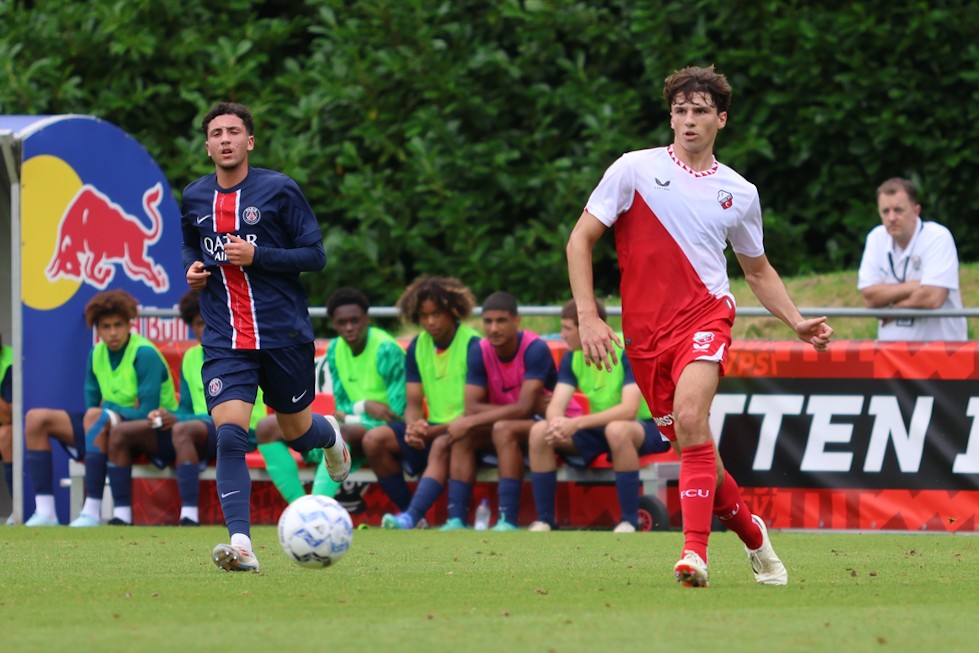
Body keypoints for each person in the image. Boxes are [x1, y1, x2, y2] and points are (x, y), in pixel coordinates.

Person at [566, 65, 833, 587]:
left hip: (706, 316)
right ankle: (754, 537)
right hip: (645, 338)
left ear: (721, 119)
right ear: (670, 116)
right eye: (680, 111)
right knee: (698, 452)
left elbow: (757, 269)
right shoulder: (633, 170)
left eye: (700, 111)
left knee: (692, 419)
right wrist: (588, 314)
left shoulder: (739, 191)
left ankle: (694, 555)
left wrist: (796, 321)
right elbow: (580, 240)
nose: (689, 121)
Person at [181, 101, 349, 572]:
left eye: (234, 131)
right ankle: (242, 546)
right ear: (208, 145)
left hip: (282, 333)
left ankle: (331, 436)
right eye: (216, 133)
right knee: (230, 434)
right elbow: (191, 245)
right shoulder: (195, 197)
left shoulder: (279, 190)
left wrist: (259, 256)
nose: (226, 139)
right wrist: (193, 270)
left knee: (297, 433)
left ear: (249, 141)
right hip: (225, 337)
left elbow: (314, 256)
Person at [105, 290, 266, 526]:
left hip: (242, 431)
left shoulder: (244, 351)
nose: (206, 328)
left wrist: (179, 421)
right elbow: (186, 410)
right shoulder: (191, 357)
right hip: (199, 431)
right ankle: (121, 516)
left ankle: (189, 516)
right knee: (121, 432)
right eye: (200, 323)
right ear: (192, 327)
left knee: (183, 429)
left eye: (212, 321)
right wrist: (166, 416)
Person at [23, 289, 178, 527]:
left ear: (129, 325)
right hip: (108, 424)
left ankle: (91, 511)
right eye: (106, 327)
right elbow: (92, 406)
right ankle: (45, 513)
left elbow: (147, 413)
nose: (113, 332)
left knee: (96, 417)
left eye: (118, 325)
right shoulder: (96, 353)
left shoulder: (144, 353)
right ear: (98, 329)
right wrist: (108, 413)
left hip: (152, 432)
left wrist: (111, 408)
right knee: (36, 418)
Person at [525, 299, 671, 533]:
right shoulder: (572, 357)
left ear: (586, 327)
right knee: (538, 432)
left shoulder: (626, 348)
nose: (561, 335)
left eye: (567, 329)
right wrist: (555, 424)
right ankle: (545, 521)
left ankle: (629, 521)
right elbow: (556, 405)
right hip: (600, 427)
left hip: (648, 426)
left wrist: (576, 423)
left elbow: (628, 410)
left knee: (617, 430)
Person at [256, 287, 405, 504]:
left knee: (338, 431)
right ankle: (301, 508)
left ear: (367, 319)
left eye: (355, 320)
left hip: (384, 433)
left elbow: (397, 414)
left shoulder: (387, 349)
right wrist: (363, 407)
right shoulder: (335, 349)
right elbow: (343, 405)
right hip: (352, 425)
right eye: (342, 322)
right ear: (333, 324)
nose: (349, 327)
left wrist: (353, 413)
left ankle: (318, 507)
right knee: (266, 427)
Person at [439, 291, 557, 531]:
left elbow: (525, 409)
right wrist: (509, 410)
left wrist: (473, 420)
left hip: (546, 425)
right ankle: (456, 519)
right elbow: (472, 406)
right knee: (463, 434)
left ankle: (507, 520)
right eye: (488, 321)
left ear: (516, 321)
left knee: (501, 428)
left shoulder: (535, 348)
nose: (493, 328)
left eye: (501, 321)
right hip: (508, 425)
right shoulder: (479, 350)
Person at [374, 276, 480, 530]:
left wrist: (430, 430)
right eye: (424, 315)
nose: (430, 321)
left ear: (452, 311)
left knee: (446, 440)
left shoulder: (473, 344)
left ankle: (428, 517)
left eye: (437, 314)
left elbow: (473, 411)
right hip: (432, 429)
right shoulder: (417, 346)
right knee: (374, 439)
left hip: (469, 429)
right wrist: (413, 426)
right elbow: (412, 402)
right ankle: (411, 514)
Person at [857, 177, 967, 342]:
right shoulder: (875, 237)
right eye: (885, 211)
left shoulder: (938, 237)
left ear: (916, 211)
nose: (892, 218)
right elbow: (869, 297)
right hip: (890, 355)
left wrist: (892, 310)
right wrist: (915, 285)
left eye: (898, 210)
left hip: (942, 355)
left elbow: (932, 297)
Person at [1, 332, 13, 524]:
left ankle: (17, 509)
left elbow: (9, 414)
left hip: (6, 425)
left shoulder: (10, 359)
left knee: (6, 435)